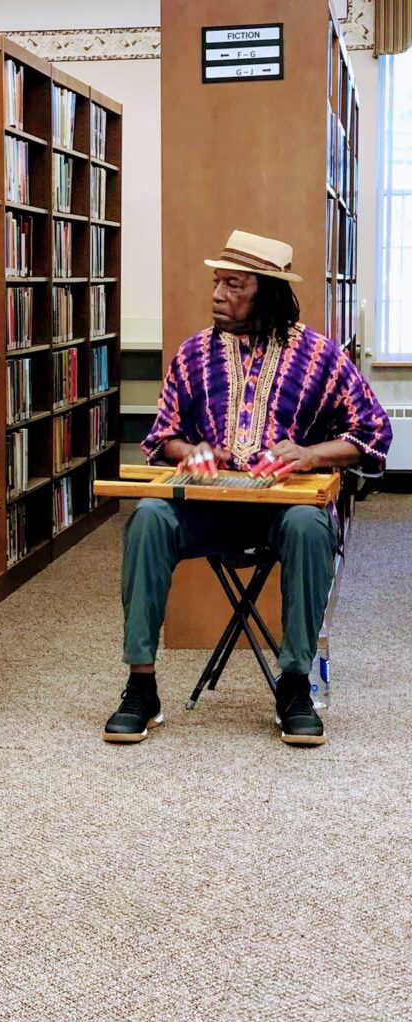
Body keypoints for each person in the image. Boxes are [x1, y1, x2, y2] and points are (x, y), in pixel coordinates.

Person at [104, 229, 392, 747]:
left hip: (281, 509)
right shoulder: (193, 354)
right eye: (217, 283)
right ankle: (140, 687)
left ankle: (296, 686)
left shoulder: (321, 356)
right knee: (147, 516)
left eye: (234, 285)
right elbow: (161, 437)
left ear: (268, 292)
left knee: (309, 526)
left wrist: (311, 454)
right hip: (209, 506)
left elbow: (372, 432)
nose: (218, 294)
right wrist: (188, 452)